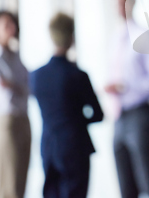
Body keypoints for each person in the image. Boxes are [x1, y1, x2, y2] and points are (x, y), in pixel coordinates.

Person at [30, 13, 103, 198]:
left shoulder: (36, 76)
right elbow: (98, 114)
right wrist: (75, 119)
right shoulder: (77, 75)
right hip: (74, 146)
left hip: (48, 145)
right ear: (71, 37)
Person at [105, 0, 149, 198]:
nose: (119, 8)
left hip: (139, 114)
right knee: (124, 183)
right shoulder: (115, 39)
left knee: (147, 178)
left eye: (123, 2)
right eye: (116, 3)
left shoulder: (145, 37)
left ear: (133, 4)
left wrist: (127, 88)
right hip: (119, 116)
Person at [0, 10, 30, 198]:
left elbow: (26, 88)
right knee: (9, 184)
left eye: (12, 24)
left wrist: (14, 86)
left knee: (21, 179)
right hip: (6, 121)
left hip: (23, 118)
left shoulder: (16, 55)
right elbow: (5, 92)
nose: (11, 28)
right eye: (5, 24)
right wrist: (16, 87)